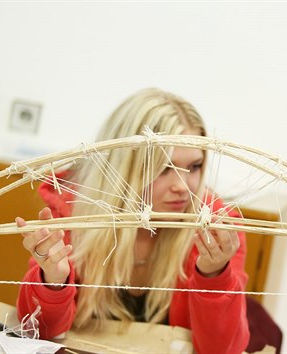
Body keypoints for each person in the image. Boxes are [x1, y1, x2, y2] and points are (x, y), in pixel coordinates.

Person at [15, 88, 250, 353]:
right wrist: (52, 282)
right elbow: (37, 333)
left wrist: (214, 275)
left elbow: (222, 350)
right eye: (164, 168)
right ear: (123, 165)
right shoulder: (72, 212)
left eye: (195, 166)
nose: (184, 186)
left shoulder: (217, 228)